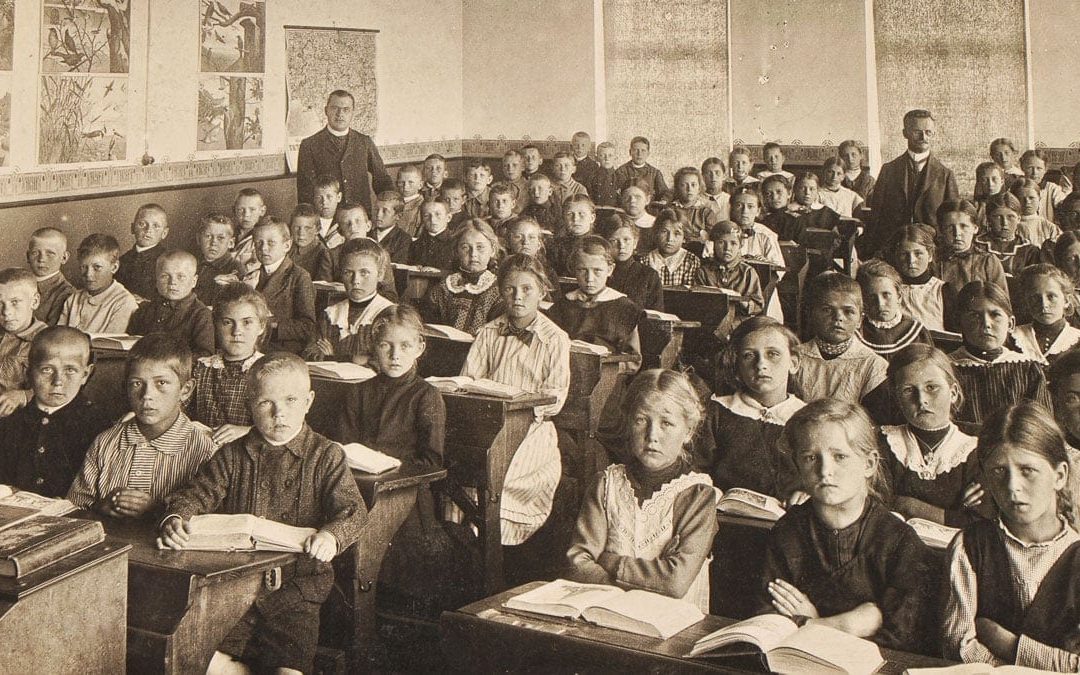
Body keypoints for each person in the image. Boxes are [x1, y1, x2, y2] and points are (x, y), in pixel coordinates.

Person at [159, 352, 366, 675]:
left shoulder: (326, 455)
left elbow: (353, 512)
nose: (278, 413)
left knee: (287, 670)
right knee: (199, 660)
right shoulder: (232, 455)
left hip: (298, 590)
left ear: (309, 401)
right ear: (249, 404)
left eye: (290, 400)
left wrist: (331, 535)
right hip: (237, 587)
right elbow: (196, 494)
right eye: (264, 403)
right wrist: (176, 518)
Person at [756, 399, 934, 652]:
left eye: (840, 456)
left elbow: (904, 636)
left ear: (869, 464)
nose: (825, 470)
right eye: (810, 458)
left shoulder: (898, 541)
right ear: (798, 464)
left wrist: (809, 623)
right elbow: (770, 622)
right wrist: (847, 625)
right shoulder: (787, 532)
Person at [942, 401, 1080, 670]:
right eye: (999, 472)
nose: (1013, 487)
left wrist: (1004, 642)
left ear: (1059, 475)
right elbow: (957, 645)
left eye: (1027, 471)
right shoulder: (970, 546)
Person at [566, 369, 717, 612]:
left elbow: (675, 582)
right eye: (641, 420)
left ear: (688, 432)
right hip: (607, 611)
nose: (652, 435)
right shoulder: (607, 484)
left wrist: (610, 561)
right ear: (628, 423)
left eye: (666, 423)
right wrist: (623, 594)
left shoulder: (697, 495)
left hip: (672, 624)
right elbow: (577, 562)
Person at [328, 305, 448, 606]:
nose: (395, 355)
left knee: (396, 562)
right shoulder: (358, 392)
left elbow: (431, 461)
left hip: (405, 497)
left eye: (404, 346)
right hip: (357, 488)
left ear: (420, 347)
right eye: (386, 345)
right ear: (373, 347)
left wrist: (390, 471)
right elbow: (343, 447)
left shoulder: (425, 396)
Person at [462, 254, 570, 554]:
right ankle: (469, 540)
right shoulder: (488, 332)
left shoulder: (555, 338)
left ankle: (490, 543)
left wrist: (520, 405)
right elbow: (468, 379)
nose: (518, 297)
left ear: (542, 292)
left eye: (527, 289)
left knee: (503, 476)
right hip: (488, 423)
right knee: (465, 471)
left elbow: (556, 396)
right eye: (510, 289)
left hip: (531, 428)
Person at [67, 334, 215, 516]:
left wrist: (158, 511)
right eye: (137, 383)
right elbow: (73, 510)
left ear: (185, 390)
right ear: (126, 388)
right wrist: (101, 508)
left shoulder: (205, 449)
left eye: (161, 383)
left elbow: (211, 521)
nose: (147, 395)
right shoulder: (105, 443)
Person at [696, 316, 805, 498]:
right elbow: (697, 468)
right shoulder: (717, 412)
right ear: (737, 368)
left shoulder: (807, 418)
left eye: (773, 354)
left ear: (793, 363)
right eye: (749, 356)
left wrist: (807, 494)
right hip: (725, 517)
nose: (761, 364)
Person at [0, 326, 111, 496]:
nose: (58, 381)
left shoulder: (99, 426)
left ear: (85, 375)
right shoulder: (9, 423)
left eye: (70, 370)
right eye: (47, 369)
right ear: (29, 372)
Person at [882, 344, 983, 527]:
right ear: (897, 399)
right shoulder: (885, 442)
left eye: (931, 387)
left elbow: (978, 521)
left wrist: (909, 505)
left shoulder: (974, 449)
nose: (921, 400)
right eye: (908, 390)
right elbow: (876, 508)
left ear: (953, 393)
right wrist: (952, 513)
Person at [949, 281, 1051, 425]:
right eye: (975, 315)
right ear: (959, 323)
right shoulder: (947, 368)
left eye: (995, 314)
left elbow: (1041, 425)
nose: (986, 324)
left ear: (1010, 324)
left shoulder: (1028, 369)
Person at [866, 109, 959, 256]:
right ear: (905, 133)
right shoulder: (888, 170)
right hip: (892, 248)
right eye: (917, 132)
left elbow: (952, 219)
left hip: (931, 251)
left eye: (928, 132)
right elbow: (876, 215)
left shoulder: (945, 175)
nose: (923, 137)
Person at [187, 283, 266, 448]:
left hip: (250, 452)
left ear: (261, 326)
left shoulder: (268, 372)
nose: (237, 331)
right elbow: (179, 409)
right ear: (215, 325)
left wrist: (248, 431)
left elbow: (282, 424)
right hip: (202, 449)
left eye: (247, 322)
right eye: (228, 322)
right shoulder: (201, 369)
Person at [791, 271, 888, 405]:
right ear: (811, 314)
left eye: (848, 311)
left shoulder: (873, 365)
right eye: (827, 310)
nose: (838, 318)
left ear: (860, 319)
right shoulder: (795, 358)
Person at [296, 89, 393, 216]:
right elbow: (305, 192)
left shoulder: (364, 142)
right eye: (335, 108)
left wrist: (391, 204)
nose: (340, 114)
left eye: (346, 109)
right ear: (326, 111)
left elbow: (382, 179)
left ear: (352, 112)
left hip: (360, 217)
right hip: (328, 219)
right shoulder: (309, 145)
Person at [548, 235, 643, 360]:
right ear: (574, 270)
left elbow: (633, 359)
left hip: (609, 374)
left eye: (597, 271)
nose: (590, 279)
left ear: (610, 270)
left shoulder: (625, 308)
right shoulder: (563, 305)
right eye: (582, 270)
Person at [304, 238, 393, 365]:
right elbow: (310, 354)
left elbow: (383, 362)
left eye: (364, 273)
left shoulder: (388, 314)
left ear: (380, 274)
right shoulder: (330, 314)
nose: (355, 280)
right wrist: (356, 359)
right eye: (348, 273)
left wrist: (334, 357)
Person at [420, 219, 503, 335]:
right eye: (465, 247)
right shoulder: (442, 289)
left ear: (492, 250)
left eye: (480, 247)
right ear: (456, 251)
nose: (473, 254)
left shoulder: (499, 292)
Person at [247, 218, 317, 354]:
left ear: (287, 245)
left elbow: (308, 327)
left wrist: (270, 324)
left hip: (281, 349)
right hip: (253, 347)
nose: (263, 248)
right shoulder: (252, 276)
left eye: (271, 243)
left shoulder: (299, 276)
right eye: (258, 243)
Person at [127, 250, 214, 357]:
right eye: (165, 276)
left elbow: (204, 354)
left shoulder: (201, 315)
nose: (172, 282)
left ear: (194, 281)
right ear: (156, 279)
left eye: (181, 277)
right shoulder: (144, 310)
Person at [936, 200, 1007, 330]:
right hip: (941, 327)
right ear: (940, 230)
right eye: (950, 227)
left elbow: (1002, 305)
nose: (957, 233)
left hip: (979, 327)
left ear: (975, 228)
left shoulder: (988, 261)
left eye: (964, 226)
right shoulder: (934, 261)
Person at [57, 233, 139, 334]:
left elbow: (111, 344)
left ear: (114, 267)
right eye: (84, 267)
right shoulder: (73, 299)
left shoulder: (123, 302)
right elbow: (58, 335)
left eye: (97, 267)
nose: (88, 274)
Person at [856, 259, 932, 359]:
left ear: (899, 296)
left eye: (886, 295)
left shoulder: (916, 331)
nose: (880, 304)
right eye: (871, 297)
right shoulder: (858, 333)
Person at [1011, 264, 1080, 365]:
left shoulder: (1077, 340)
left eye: (1051, 296)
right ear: (1026, 301)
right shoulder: (1013, 337)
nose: (1044, 305)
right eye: (1035, 297)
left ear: (1066, 300)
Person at [696, 221, 764, 319]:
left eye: (733, 243)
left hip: (739, 321)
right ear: (713, 244)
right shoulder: (703, 272)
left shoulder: (747, 272)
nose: (727, 248)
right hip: (711, 319)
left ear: (740, 245)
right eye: (721, 242)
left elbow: (758, 306)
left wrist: (741, 300)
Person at [890, 224, 950, 331]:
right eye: (904, 254)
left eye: (918, 254)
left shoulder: (943, 290)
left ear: (930, 255)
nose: (911, 260)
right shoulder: (890, 289)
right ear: (895, 256)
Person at [605, 215, 664, 311]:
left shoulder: (649, 275)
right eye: (614, 241)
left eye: (626, 240)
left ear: (635, 242)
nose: (621, 246)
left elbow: (656, 315)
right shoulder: (600, 272)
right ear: (606, 243)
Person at [977, 193, 1041, 276]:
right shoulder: (977, 246)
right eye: (998, 217)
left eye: (1010, 217)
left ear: (1019, 219)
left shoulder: (1029, 251)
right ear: (988, 219)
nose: (1004, 223)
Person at [116, 203, 169, 301]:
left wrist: (145, 302)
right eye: (142, 224)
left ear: (164, 233)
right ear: (132, 228)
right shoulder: (123, 260)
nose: (148, 230)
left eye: (156, 226)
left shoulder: (168, 261)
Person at [192, 212, 245, 309]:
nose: (213, 243)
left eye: (220, 238)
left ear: (231, 243)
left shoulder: (235, 269)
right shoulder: (191, 263)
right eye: (208, 236)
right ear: (198, 239)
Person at [26, 227, 74, 326]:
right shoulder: (16, 284)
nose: (41, 259)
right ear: (28, 256)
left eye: (50, 253)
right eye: (35, 252)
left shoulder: (66, 293)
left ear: (64, 258)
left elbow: (51, 336)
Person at [644, 209, 701, 286]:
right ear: (656, 233)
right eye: (664, 232)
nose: (670, 239)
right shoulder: (646, 261)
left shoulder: (691, 261)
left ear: (684, 238)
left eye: (677, 233)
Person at [550, 194, 596, 276]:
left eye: (581, 214)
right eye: (570, 214)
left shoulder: (599, 245)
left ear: (592, 218)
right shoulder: (557, 246)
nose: (575, 219)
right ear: (563, 218)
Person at [614, 136, 669, 200]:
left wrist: (664, 200)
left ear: (648, 153)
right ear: (630, 152)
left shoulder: (655, 173)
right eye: (635, 150)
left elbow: (665, 193)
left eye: (643, 150)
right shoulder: (621, 171)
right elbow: (617, 194)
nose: (639, 154)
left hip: (649, 208)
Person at [1012, 179, 1061, 249]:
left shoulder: (1050, 227)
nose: (1027, 202)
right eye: (1021, 198)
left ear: (1039, 198)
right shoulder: (1009, 225)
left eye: (1031, 198)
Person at [409, 198, 456, 271]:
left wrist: (439, 272)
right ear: (422, 219)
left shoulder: (456, 243)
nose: (432, 220)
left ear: (448, 217)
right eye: (427, 215)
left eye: (438, 214)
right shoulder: (415, 245)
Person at [287, 203, 332, 279]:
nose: (301, 233)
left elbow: (322, 285)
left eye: (307, 228)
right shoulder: (287, 248)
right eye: (297, 227)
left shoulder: (322, 253)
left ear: (317, 230)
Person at [370, 190, 412, 264]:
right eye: (376, 210)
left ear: (398, 216)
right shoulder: (367, 234)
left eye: (385, 211)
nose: (378, 215)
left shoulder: (403, 240)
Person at [230, 188, 267, 274]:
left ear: (262, 211)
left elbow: (257, 265)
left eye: (252, 209)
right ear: (234, 210)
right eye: (241, 210)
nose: (246, 215)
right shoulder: (229, 234)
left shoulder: (262, 237)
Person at [311, 174, 344, 247]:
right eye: (319, 197)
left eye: (329, 197)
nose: (324, 202)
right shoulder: (310, 222)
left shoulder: (343, 222)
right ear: (313, 199)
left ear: (339, 197)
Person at [396, 164, 425, 238]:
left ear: (420, 185)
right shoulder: (393, 203)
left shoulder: (423, 206)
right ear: (396, 183)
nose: (405, 186)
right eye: (401, 182)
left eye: (410, 182)